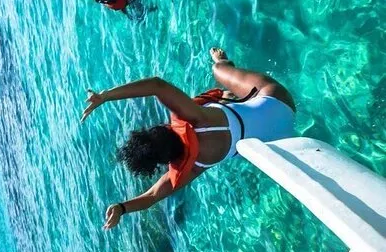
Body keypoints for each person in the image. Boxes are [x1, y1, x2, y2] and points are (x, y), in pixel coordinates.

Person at [80, 48, 296, 230]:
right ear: (158, 130)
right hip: (277, 98)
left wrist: (122, 208)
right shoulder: (195, 118)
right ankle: (223, 67)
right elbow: (156, 85)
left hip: (280, 139)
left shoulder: (193, 167)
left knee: (227, 115)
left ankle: (226, 100)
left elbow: (152, 196)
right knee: (219, 70)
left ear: (163, 162)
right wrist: (105, 96)